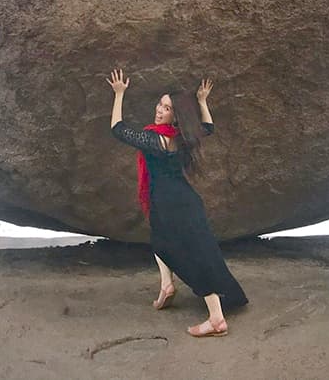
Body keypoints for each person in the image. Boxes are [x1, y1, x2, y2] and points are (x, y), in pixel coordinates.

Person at [105, 69, 248, 337]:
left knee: (191, 257)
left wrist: (119, 94)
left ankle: (216, 318)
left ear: (175, 115)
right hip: (184, 201)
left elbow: (118, 129)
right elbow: (208, 127)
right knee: (162, 243)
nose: (160, 110)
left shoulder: (153, 139)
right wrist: (203, 101)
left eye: (167, 108)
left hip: (169, 204)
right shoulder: (182, 138)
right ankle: (166, 285)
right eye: (160, 104)